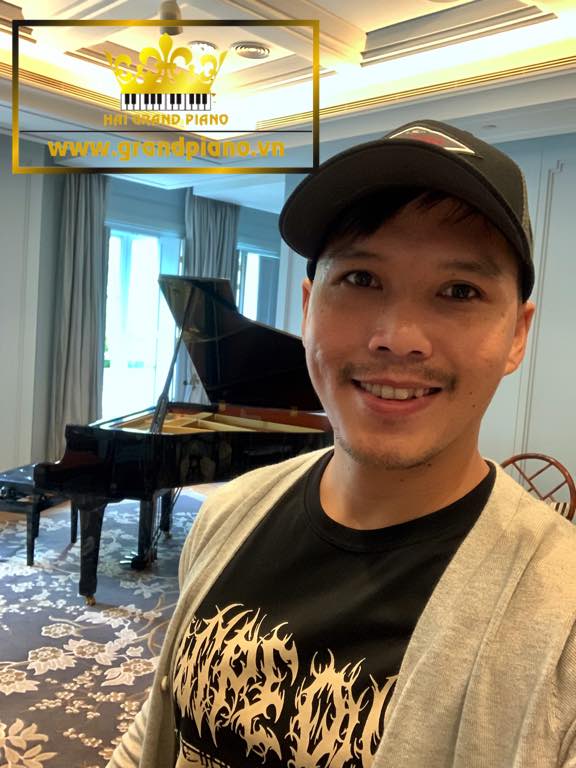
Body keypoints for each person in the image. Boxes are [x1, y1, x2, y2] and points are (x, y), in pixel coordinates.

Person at [107, 120, 576, 768]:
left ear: (517, 335)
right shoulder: (229, 515)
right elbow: (157, 730)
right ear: (308, 307)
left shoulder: (561, 618)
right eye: (360, 279)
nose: (398, 337)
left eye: (459, 291)